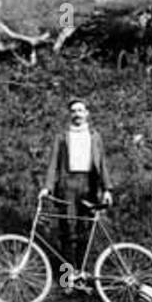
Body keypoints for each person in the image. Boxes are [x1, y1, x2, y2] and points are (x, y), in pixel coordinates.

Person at [40, 97, 113, 273]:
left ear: (86, 113)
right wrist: (47, 187)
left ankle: (81, 274)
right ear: (69, 114)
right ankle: (67, 279)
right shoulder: (62, 137)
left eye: (80, 110)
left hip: (89, 185)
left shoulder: (94, 136)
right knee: (67, 231)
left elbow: (102, 163)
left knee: (85, 231)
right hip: (67, 185)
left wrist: (107, 189)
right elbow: (53, 164)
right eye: (73, 111)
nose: (77, 114)